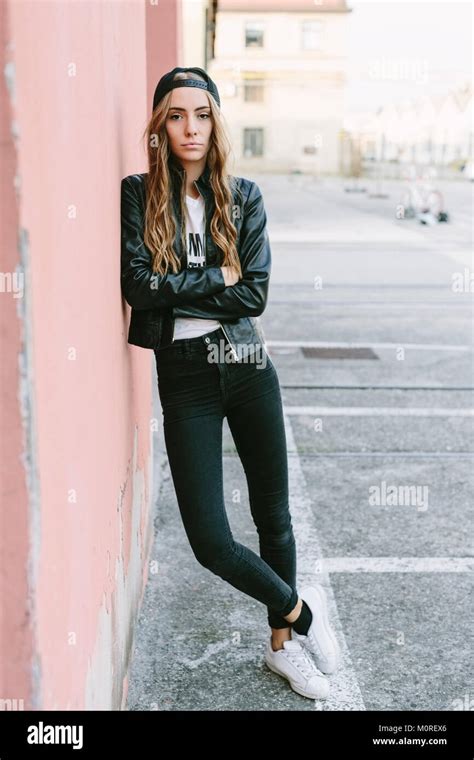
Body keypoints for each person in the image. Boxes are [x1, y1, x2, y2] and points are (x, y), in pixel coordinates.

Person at [120, 66, 341, 701]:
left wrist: (190, 284)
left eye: (203, 114)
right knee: (210, 539)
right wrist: (219, 274)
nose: (191, 127)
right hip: (185, 380)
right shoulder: (138, 194)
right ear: (160, 126)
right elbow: (140, 288)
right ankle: (299, 610)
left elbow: (257, 293)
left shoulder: (243, 197)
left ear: (217, 122)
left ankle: (282, 649)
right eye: (176, 115)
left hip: (247, 367)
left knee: (274, 514)